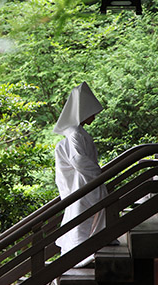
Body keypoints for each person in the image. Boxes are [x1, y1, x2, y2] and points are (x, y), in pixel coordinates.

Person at [52, 82, 115, 268]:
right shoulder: (74, 133)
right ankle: (77, 253)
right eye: (92, 113)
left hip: (87, 179)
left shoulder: (78, 132)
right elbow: (78, 160)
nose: (94, 116)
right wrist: (97, 175)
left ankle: (95, 242)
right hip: (82, 181)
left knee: (89, 213)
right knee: (82, 214)